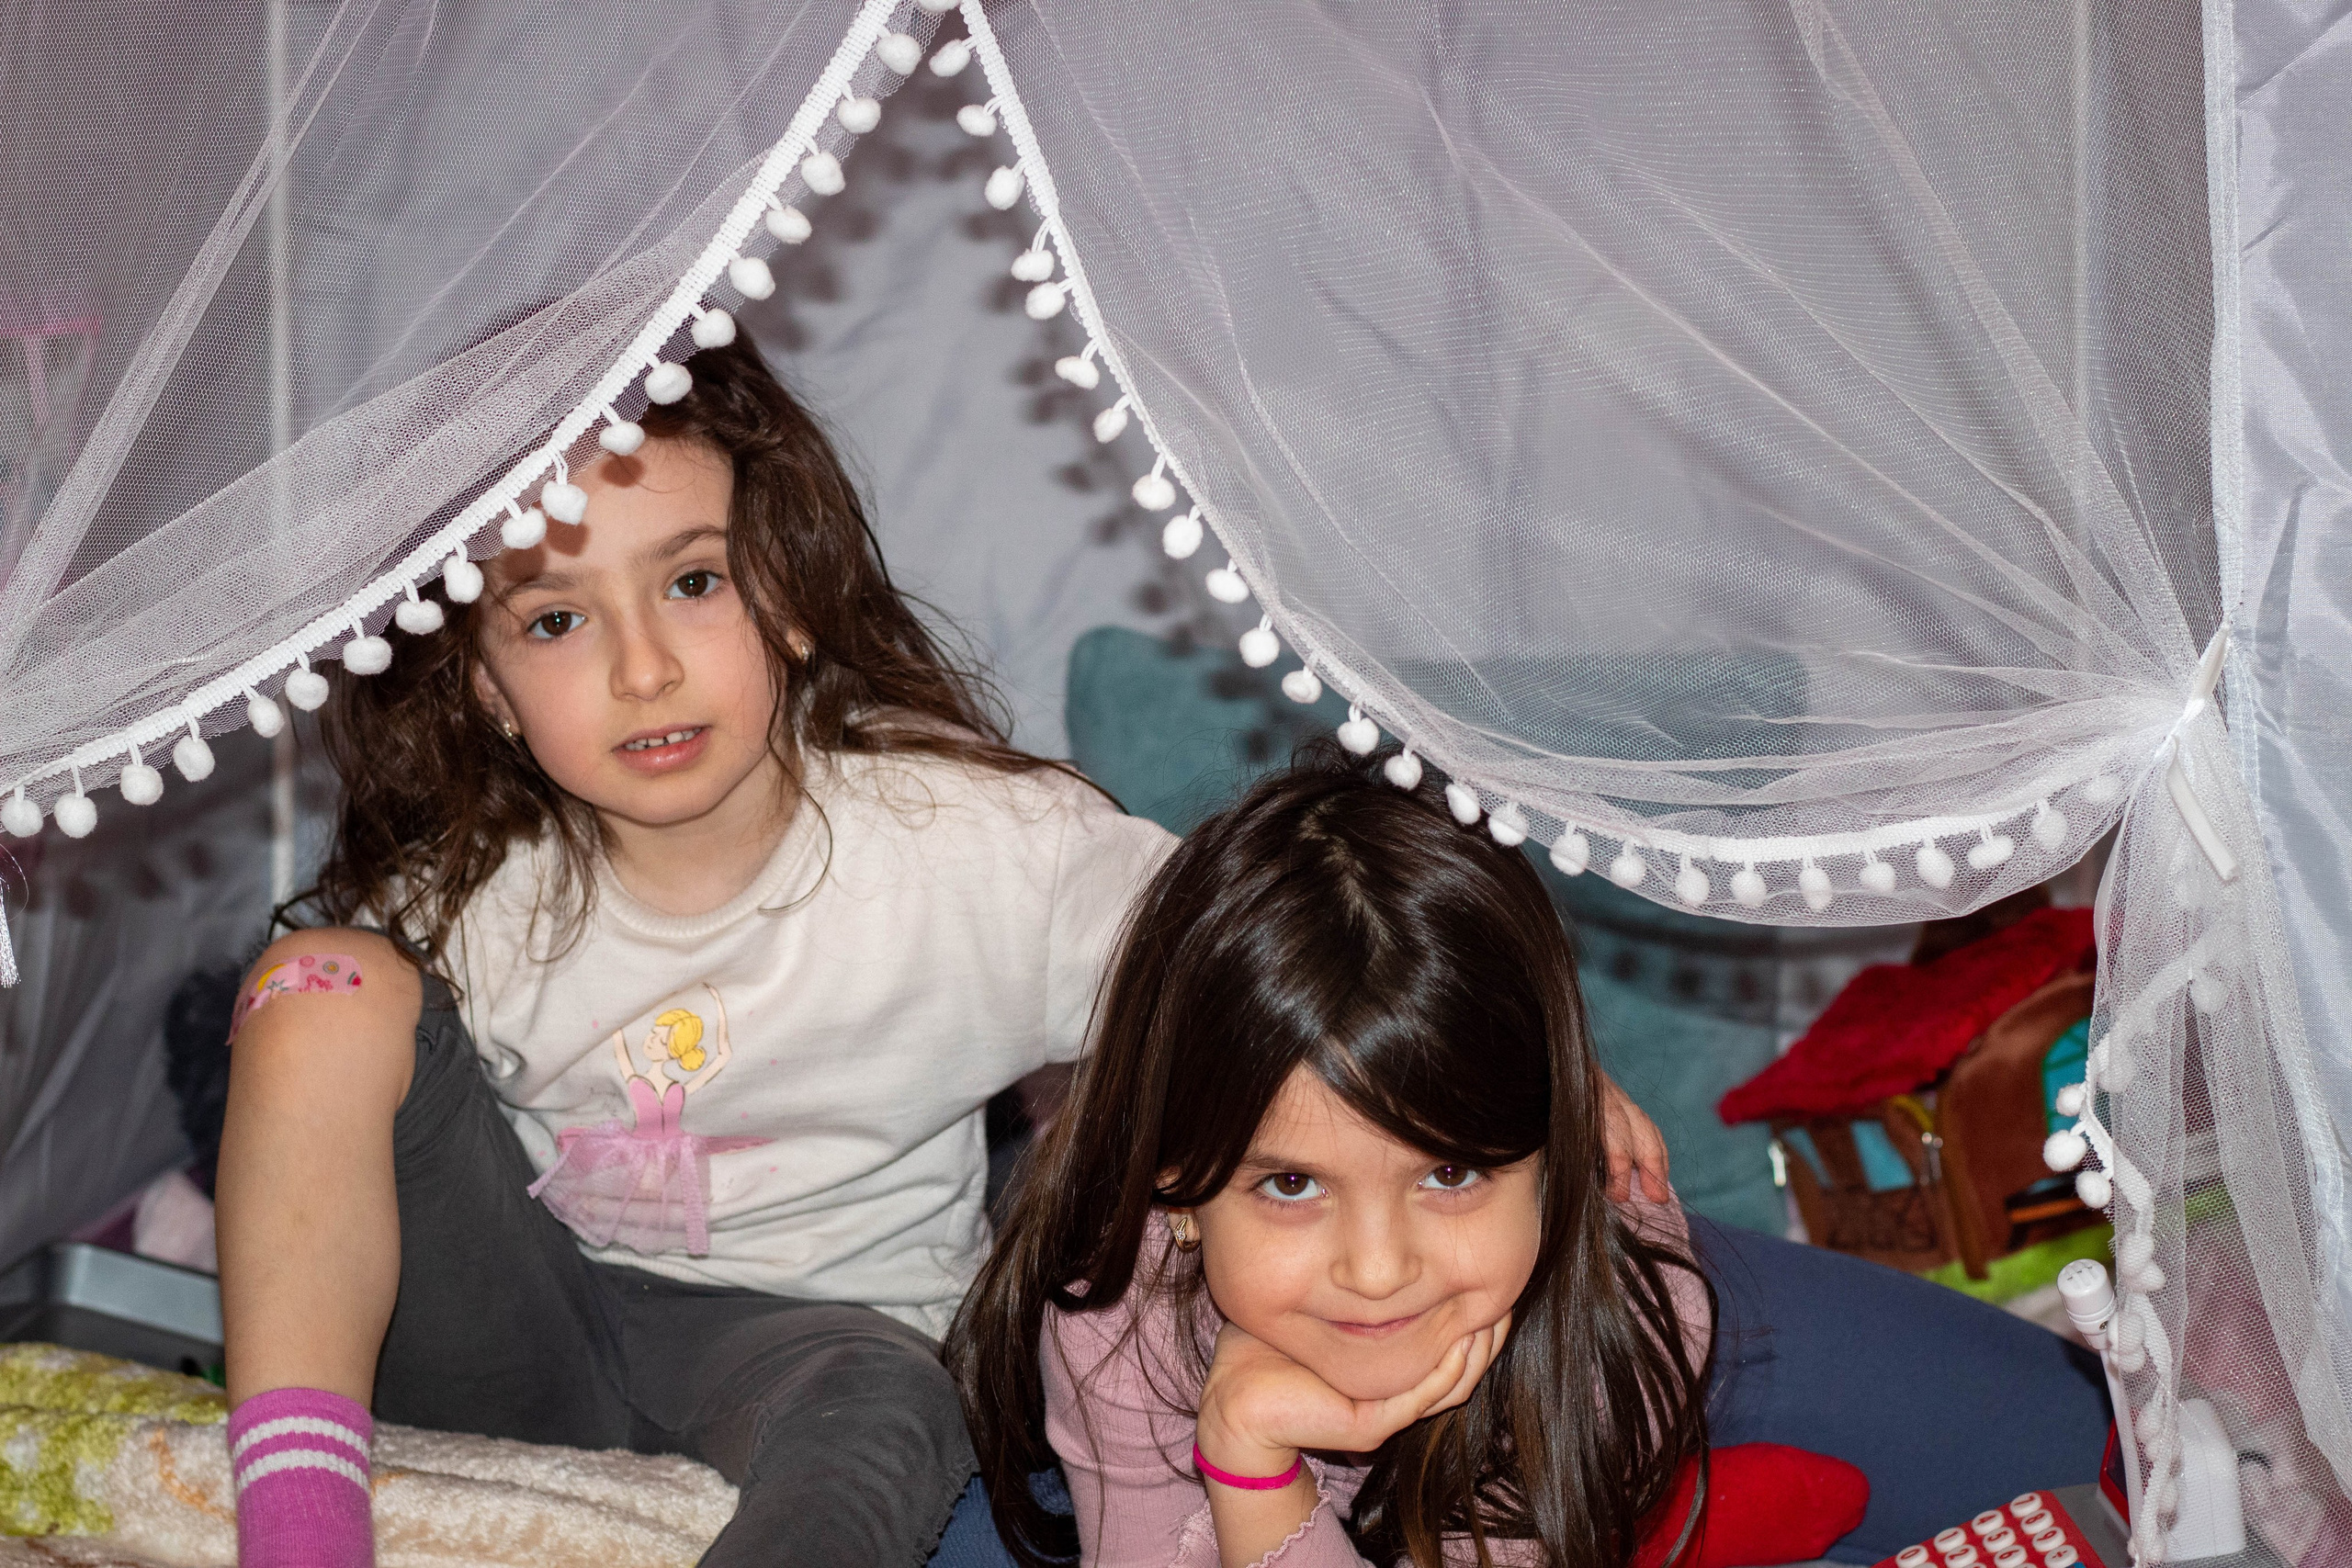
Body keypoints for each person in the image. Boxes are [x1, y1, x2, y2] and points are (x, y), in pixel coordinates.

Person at [211, 333, 1181, 1568]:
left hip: (822, 1351)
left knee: (890, 1402)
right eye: (557, 618)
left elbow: (1259, 982)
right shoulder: (471, 891)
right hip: (528, 1329)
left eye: (692, 582)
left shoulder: (985, 854)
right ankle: (296, 1533)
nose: (645, 667)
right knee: (314, 986)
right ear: (485, 687)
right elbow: (324, 1137)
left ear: (781, 593)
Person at [947, 743, 1712, 1568]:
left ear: (1552, 1160)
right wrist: (1247, 1452)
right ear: (1175, 1190)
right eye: (1293, 1182)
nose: (1377, 1271)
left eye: (1448, 1171)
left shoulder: (1622, 1329)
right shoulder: (1115, 1302)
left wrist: (1247, 1469)